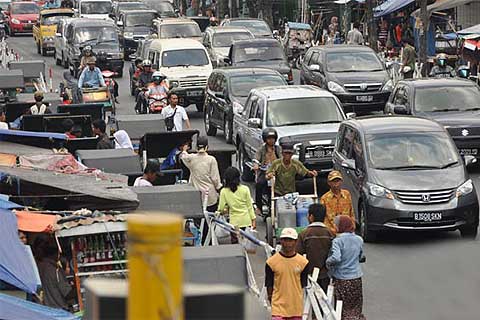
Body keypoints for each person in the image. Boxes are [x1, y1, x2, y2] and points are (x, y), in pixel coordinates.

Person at [265, 228, 310, 320]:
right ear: (281, 241)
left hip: (295, 307)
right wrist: (271, 299)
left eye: (290, 240)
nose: (288, 244)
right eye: (285, 240)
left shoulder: (303, 262)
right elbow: (269, 284)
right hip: (278, 307)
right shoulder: (271, 262)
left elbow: (302, 284)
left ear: (296, 242)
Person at [326, 215, 365, 320]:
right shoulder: (359, 239)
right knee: (355, 307)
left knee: (341, 307)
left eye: (336, 225)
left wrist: (328, 262)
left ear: (340, 226)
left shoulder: (337, 241)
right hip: (356, 278)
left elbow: (336, 258)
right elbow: (361, 256)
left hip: (342, 279)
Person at [296, 203, 333, 293]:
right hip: (326, 274)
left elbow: (297, 254)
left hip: (310, 274)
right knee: (324, 300)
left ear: (311, 217)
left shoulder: (304, 234)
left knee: (311, 302)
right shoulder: (330, 234)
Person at [180, 136, 221, 212]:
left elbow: (183, 156)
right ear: (207, 147)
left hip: (196, 197)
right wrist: (219, 188)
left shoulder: (191, 158)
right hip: (210, 197)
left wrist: (184, 150)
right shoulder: (211, 160)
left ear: (196, 147)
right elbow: (215, 179)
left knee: (198, 221)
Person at [34, 235, 75, 310]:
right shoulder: (55, 269)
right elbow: (67, 294)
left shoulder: (37, 266)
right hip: (58, 310)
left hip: (43, 310)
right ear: (56, 253)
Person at [217, 167, 256, 243]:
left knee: (235, 244)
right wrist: (253, 220)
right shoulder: (245, 189)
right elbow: (249, 206)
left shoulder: (224, 191)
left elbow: (220, 208)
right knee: (245, 244)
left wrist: (223, 210)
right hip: (246, 221)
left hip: (234, 223)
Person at [253, 128, 281, 215]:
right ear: (265, 139)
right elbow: (256, 158)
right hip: (264, 172)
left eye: (273, 138)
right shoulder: (262, 149)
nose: (271, 140)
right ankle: (259, 207)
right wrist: (256, 165)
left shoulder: (277, 149)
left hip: (276, 173)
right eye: (269, 138)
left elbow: (281, 159)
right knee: (259, 184)